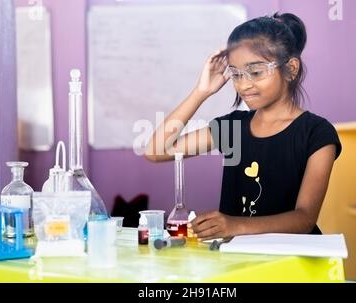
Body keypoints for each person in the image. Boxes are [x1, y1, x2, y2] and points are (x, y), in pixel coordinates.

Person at [144, 12, 342, 241]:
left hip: (290, 260)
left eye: (256, 72)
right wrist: (201, 92)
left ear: (291, 68)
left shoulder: (317, 133)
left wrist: (233, 225)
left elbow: (304, 218)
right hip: (237, 259)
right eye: (236, 74)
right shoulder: (233, 128)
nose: (244, 85)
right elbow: (156, 151)